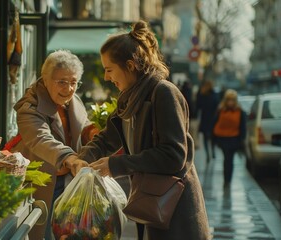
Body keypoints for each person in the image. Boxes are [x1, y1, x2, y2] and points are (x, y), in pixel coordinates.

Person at [78, 20, 210, 239]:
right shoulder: (130, 98)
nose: (106, 77)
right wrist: (83, 160)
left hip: (175, 215)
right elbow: (107, 138)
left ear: (130, 66)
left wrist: (116, 164)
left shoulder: (163, 93)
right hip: (151, 207)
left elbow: (174, 155)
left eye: (109, 70)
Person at [9, 50, 98, 239]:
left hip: (69, 181)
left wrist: (93, 132)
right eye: (62, 82)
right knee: (42, 232)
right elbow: (40, 138)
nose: (69, 88)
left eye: (74, 82)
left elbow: (82, 124)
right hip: (43, 182)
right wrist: (69, 158)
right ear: (45, 79)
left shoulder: (72, 99)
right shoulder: (29, 106)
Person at [213, 89, 247, 189]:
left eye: (232, 100)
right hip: (223, 138)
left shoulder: (240, 112)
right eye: (228, 100)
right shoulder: (221, 110)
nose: (230, 102)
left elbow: (242, 127)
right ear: (225, 100)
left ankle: (228, 179)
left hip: (234, 139)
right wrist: (214, 138)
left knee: (229, 159)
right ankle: (226, 178)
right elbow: (215, 123)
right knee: (226, 159)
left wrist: (242, 139)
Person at [196, 79, 219, 163]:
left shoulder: (204, 95)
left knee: (208, 137)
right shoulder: (212, 95)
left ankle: (209, 154)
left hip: (208, 118)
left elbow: (198, 106)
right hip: (210, 119)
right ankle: (211, 153)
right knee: (210, 137)